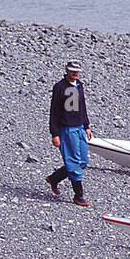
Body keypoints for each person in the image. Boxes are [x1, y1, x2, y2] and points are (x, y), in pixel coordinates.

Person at [46, 59, 93, 206]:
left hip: (79, 127)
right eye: (72, 71)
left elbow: (82, 106)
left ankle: (54, 178)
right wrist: (55, 134)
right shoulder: (59, 87)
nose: (75, 74)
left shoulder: (79, 86)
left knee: (83, 161)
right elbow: (54, 111)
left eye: (77, 71)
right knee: (73, 162)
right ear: (66, 70)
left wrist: (86, 125)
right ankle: (78, 195)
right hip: (66, 129)